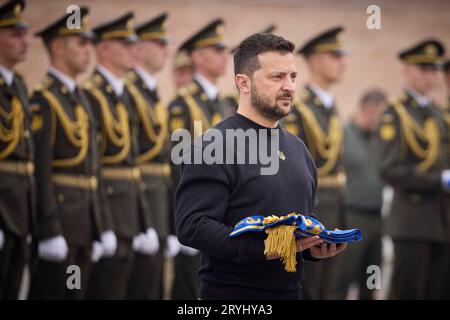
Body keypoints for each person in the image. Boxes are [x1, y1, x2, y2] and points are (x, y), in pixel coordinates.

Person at [175, 32, 347, 300]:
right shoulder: (214, 145)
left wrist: (313, 247)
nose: (289, 86)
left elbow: (297, 227)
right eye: (277, 77)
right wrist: (264, 248)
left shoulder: (299, 149)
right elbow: (193, 226)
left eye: (292, 77)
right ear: (243, 83)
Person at [28, 6, 101, 300]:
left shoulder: (80, 97)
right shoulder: (44, 99)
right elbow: (40, 169)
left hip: (83, 222)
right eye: (81, 43)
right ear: (57, 47)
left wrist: (98, 225)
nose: (88, 51)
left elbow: (92, 168)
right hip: (61, 220)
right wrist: (49, 229)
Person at [84, 12, 153, 300]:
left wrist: (144, 221)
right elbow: (92, 166)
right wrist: (104, 225)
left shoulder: (123, 94)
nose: (132, 51)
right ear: (104, 49)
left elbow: (132, 164)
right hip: (108, 209)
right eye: (124, 44)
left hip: (128, 211)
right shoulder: (92, 94)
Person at [376, 39, 449, 299]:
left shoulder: (436, 112)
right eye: (423, 69)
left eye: (434, 70)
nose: (431, 76)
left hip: (442, 219)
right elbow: (389, 168)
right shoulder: (395, 113)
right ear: (407, 70)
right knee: (409, 291)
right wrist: (439, 180)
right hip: (413, 220)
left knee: (438, 291)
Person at [167, 18, 231, 300]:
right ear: (197, 56)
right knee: (188, 290)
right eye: (215, 50)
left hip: (222, 215)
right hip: (195, 213)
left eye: (224, 50)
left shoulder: (223, 103)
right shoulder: (182, 104)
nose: (223, 57)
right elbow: (175, 168)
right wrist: (177, 222)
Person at [283, 26, 347, 300]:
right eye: (334, 55)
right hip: (314, 205)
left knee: (330, 287)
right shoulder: (299, 107)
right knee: (310, 287)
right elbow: (294, 166)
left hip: (336, 203)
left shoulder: (329, 106)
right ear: (315, 61)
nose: (343, 62)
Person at [125, 12, 170, 300]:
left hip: (158, 201)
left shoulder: (150, 92)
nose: (167, 50)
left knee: (153, 286)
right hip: (135, 203)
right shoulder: (129, 91)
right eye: (159, 43)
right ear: (139, 49)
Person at [329, 89, 387, 299]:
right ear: (368, 110)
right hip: (352, 218)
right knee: (342, 277)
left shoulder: (378, 138)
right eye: (380, 115)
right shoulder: (344, 134)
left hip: (378, 218)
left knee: (373, 277)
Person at [0, 0, 34, 300]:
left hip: (20, 208)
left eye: (25, 33)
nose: (25, 41)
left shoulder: (19, 85)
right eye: (14, 34)